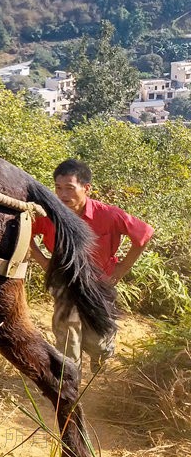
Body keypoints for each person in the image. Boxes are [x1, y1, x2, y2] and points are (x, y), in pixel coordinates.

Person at [29, 159, 154, 372]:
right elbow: (26, 234)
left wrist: (121, 269)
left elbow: (144, 235)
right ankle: (69, 383)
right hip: (65, 284)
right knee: (67, 337)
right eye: (58, 188)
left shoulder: (107, 215)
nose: (63, 195)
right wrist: (45, 263)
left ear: (86, 188)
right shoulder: (50, 215)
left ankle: (101, 359)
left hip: (99, 286)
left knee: (97, 343)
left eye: (69, 188)